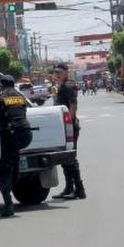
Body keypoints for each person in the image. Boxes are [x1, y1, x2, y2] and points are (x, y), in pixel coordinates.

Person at [0, 75, 33, 218]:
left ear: (1, 85)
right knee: (13, 164)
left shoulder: (0, 98)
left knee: (4, 169)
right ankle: (13, 180)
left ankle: (8, 204)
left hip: (10, 137)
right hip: (25, 135)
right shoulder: (21, 97)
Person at [52, 63, 86, 200]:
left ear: (66, 72)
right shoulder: (62, 85)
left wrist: (69, 125)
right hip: (63, 126)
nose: (57, 74)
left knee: (70, 158)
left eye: (59, 72)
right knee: (64, 158)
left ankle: (79, 189)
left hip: (69, 127)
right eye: (56, 72)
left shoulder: (68, 85)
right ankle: (69, 187)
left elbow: (73, 106)